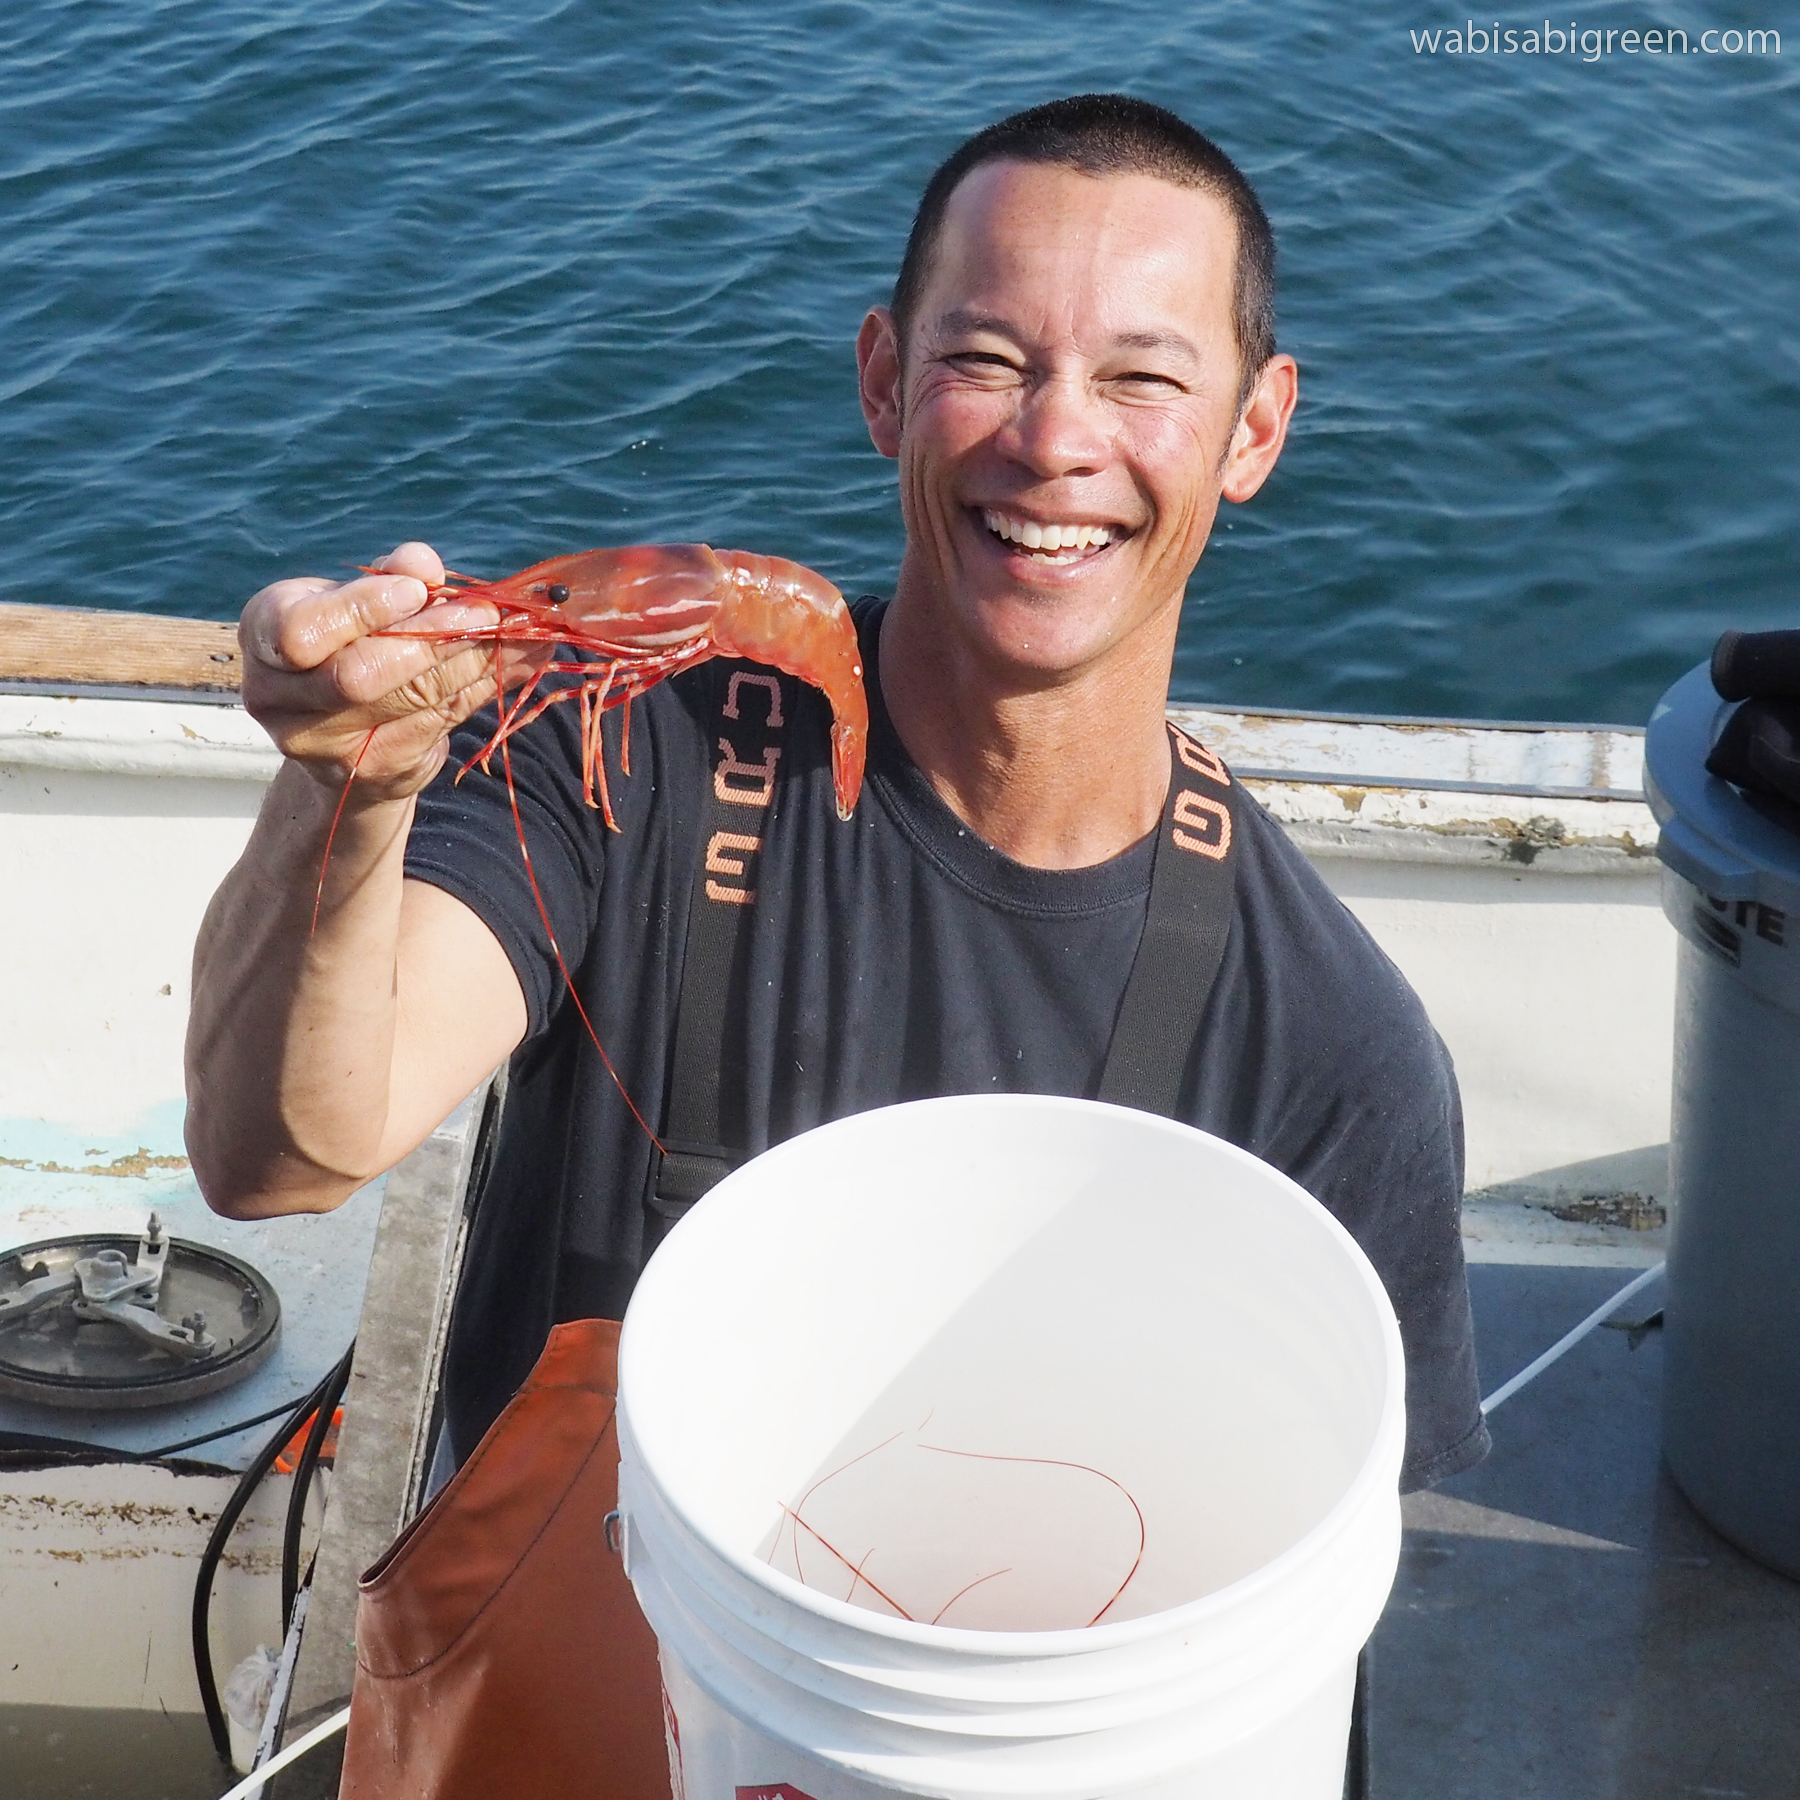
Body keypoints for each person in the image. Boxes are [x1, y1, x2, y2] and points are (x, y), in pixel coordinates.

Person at [187, 94, 1488, 1495]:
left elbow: (1298, 1554)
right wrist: (355, 789)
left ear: (1254, 430)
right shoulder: (616, 746)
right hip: (564, 1677)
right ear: (881, 380)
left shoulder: (1333, 1047)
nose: (1054, 442)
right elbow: (285, 1155)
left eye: (1143, 381)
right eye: (987, 359)